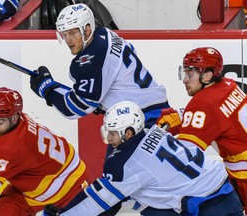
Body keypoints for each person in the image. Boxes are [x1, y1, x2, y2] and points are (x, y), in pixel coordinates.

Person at [43, 101, 243, 216]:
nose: (109, 138)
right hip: (222, 188)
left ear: (129, 133)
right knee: (147, 205)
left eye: (113, 133)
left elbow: (95, 201)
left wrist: (64, 214)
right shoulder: (151, 130)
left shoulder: (125, 163)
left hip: (207, 207)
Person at [29, 3, 169, 124]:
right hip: (160, 109)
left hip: (146, 118)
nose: (68, 40)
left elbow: (74, 109)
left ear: (87, 29)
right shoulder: (106, 33)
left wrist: (46, 89)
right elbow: (130, 51)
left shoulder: (91, 61)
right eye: (64, 35)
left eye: (72, 33)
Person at [0, 87, 89, 215]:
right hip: (35, 179)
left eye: (0, 122)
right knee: (4, 211)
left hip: (69, 186)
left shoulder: (12, 147)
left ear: (14, 118)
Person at [156, 47, 247, 214]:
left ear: (207, 76)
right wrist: (183, 116)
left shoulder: (202, 104)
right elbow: (217, 114)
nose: (185, 80)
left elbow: (185, 154)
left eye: (190, 75)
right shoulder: (229, 84)